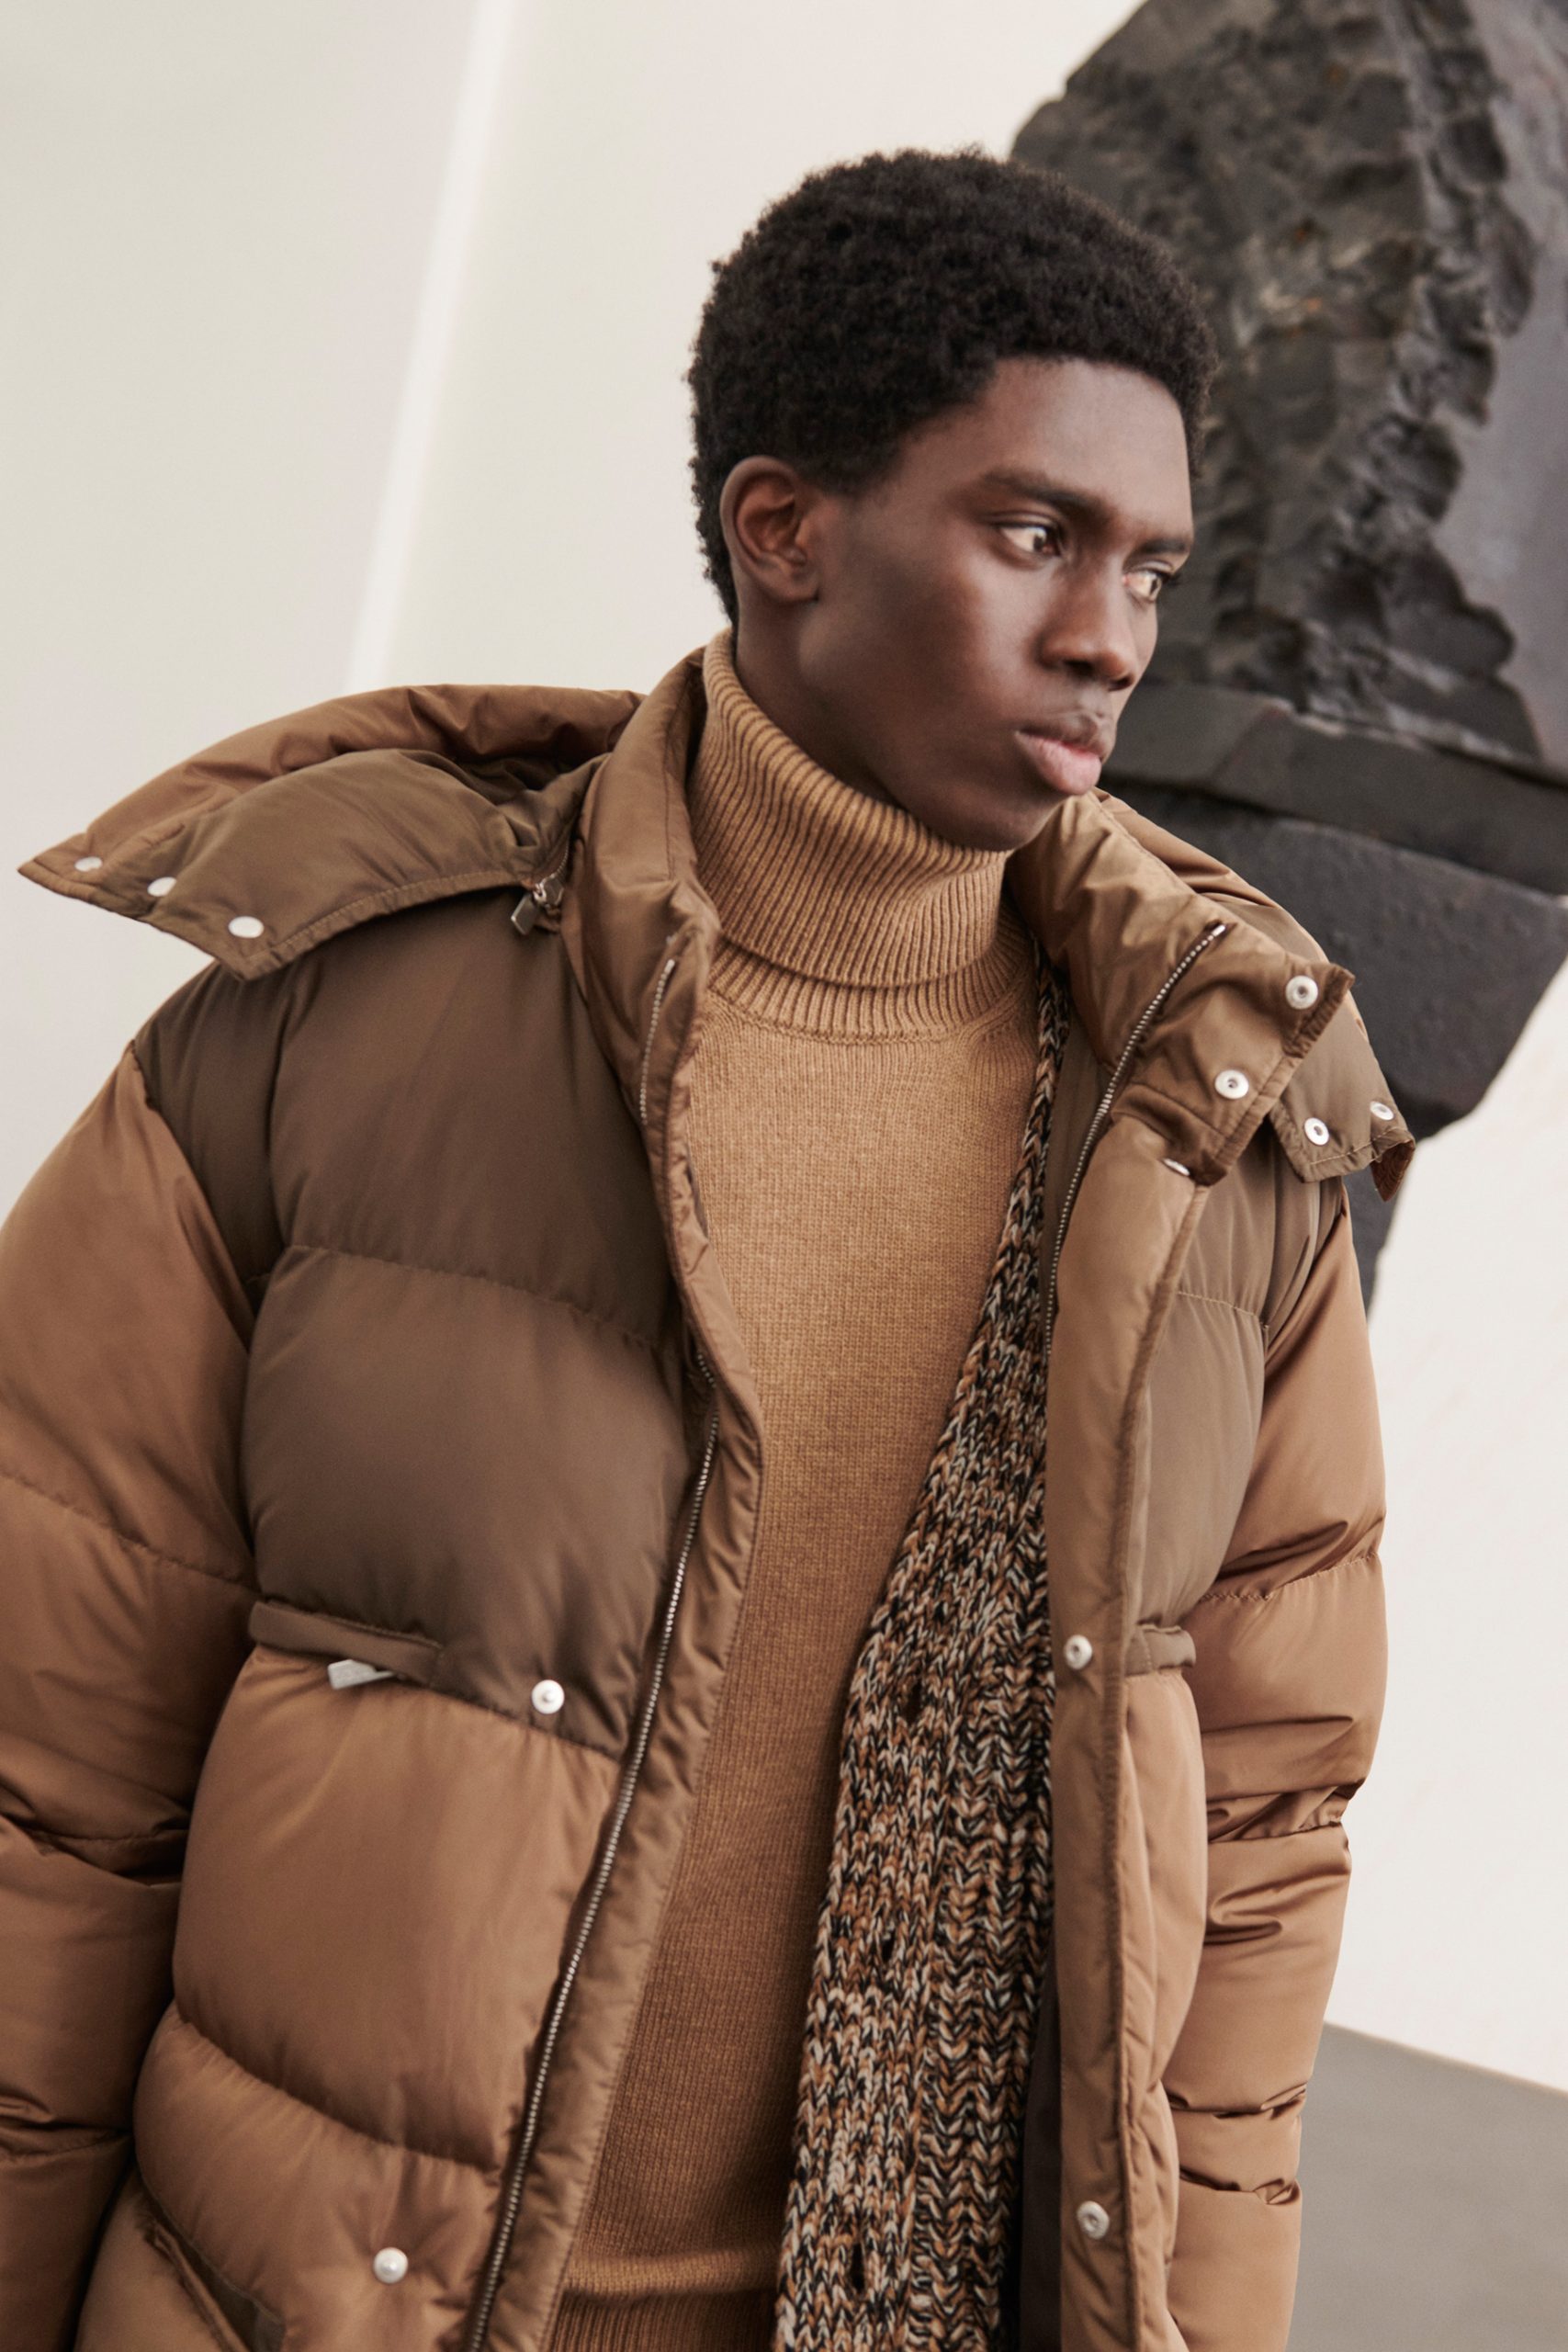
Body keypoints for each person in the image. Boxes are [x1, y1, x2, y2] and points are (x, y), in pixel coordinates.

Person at [0, 150, 1411, 2352]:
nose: (1109, 636)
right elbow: (48, 1780)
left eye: (1146, 564)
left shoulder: (1214, 1111)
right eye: (1031, 534)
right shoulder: (333, 1025)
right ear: (783, 529)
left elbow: (1252, 1840)